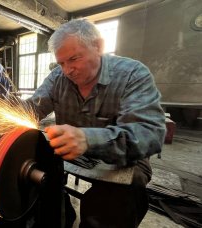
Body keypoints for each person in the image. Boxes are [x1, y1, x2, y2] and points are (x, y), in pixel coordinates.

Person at [27, 19, 166, 227]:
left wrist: (88, 139)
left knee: (109, 205)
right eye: (61, 63)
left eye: (74, 59)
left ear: (99, 46)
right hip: (71, 154)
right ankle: (60, 215)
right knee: (36, 179)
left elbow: (150, 134)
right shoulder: (58, 77)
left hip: (125, 161)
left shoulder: (132, 74)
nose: (67, 70)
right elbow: (32, 108)